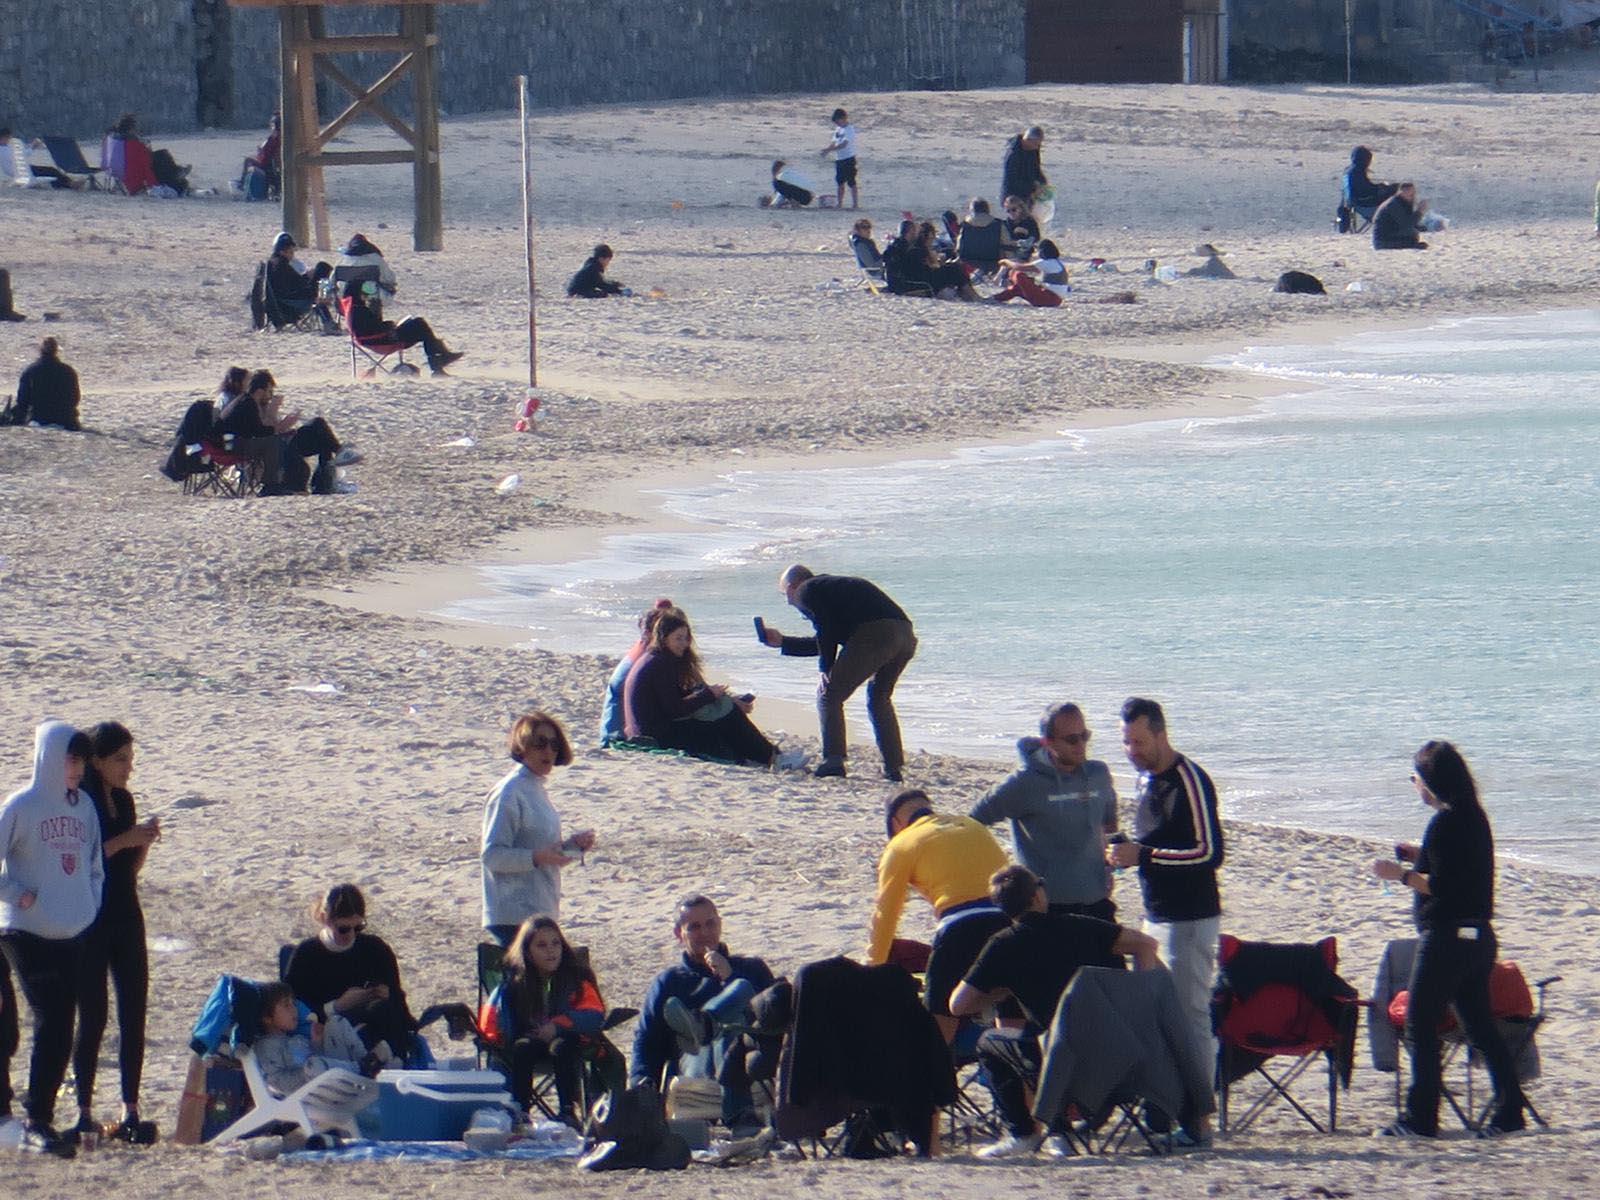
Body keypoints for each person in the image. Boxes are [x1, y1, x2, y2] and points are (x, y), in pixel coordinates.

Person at [1368, 740, 1529, 1138]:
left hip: (1447, 939)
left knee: (1420, 1024)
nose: (1415, 786)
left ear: (1431, 782)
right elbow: (1455, 862)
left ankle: (1420, 1119)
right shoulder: (1472, 816)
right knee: (1479, 1028)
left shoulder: (1444, 821)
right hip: (1478, 939)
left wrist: (1399, 874)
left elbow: (1438, 883)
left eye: (1416, 779)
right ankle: (1509, 1111)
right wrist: (1414, 853)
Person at [948, 864, 1159, 1158]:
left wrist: (1002, 990)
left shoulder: (1004, 944)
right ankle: (1060, 1130)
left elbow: (958, 1005)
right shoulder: (1080, 926)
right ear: (1036, 897)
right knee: (1047, 1043)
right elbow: (1146, 944)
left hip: (1054, 1055)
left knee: (990, 1042)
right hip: (1114, 1050)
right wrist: (1141, 1003)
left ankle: (1028, 1132)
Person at [0, 721, 105, 1158]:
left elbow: (95, 864)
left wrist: (87, 903)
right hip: (24, 932)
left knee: (65, 1024)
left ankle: (41, 1117)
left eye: (81, 760)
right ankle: (36, 1120)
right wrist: (13, 894)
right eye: (70, 758)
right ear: (49, 758)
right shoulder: (20, 806)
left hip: (73, 931)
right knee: (53, 1016)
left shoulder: (84, 808)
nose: (77, 768)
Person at [1108, 697, 1224, 1069]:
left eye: (1139, 742)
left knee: (1190, 1017)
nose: (1132, 751)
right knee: (1155, 1012)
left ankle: (1199, 1119)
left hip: (1190, 916)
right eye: (1126, 742)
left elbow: (1209, 853)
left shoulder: (1190, 780)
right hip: (1155, 913)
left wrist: (1142, 855)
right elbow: (1157, 839)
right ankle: (1169, 1108)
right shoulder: (1144, 778)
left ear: (1161, 735)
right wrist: (1124, 851)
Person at [71, 722, 160, 1146]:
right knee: (93, 1015)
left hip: (126, 911)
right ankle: (83, 1109)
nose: (128, 768)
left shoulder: (124, 800)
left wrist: (141, 844)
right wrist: (125, 840)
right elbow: (87, 858)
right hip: (92, 916)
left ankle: (131, 1108)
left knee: (133, 1010)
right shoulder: (81, 802)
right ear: (97, 761)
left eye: (131, 759)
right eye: (121, 759)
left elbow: (127, 869)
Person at [867, 790, 1008, 1038]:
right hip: (1006, 920)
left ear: (896, 823)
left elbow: (886, 913)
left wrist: (873, 967)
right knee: (1011, 1017)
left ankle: (939, 1069)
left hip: (960, 927)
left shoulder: (902, 844)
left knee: (941, 1020)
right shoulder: (972, 825)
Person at [761, 564, 917, 780]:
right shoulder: (832, 590)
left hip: (878, 633)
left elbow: (827, 629)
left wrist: (825, 668)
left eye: (785, 593)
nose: (788, 601)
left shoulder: (807, 589)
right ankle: (893, 767)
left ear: (794, 586)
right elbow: (831, 635)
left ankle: (833, 761)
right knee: (879, 699)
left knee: (828, 696)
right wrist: (784, 642)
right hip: (905, 636)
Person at [631, 895, 775, 1128]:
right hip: (695, 1069)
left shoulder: (751, 969)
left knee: (740, 994)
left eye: (710, 924)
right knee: (707, 1039)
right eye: (694, 927)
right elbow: (647, 1040)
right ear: (679, 934)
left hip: (746, 1065)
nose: (705, 933)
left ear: (720, 924)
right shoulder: (671, 981)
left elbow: (773, 1020)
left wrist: (730, 978)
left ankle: (704, 1025)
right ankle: (703, 1031)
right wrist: (642, 1086)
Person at [970, 703, 1119, 922]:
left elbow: (1109, 824)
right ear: (1048, 742)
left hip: (1096, 901)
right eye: (1071, 739)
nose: (1081, 745)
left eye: (1084, 736)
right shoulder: (1024, 783)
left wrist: (1110, 866)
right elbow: (973, 822)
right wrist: (1004, 878)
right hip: (1046, 908)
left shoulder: (1098, 774)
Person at [492, 915, 620, 1126]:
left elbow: (594, 1014)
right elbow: (506, 1021)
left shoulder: (577, 978)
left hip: (569, 1038)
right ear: (527, 952)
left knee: (563, 1047)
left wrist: (558, 1025)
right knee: (522, 1048)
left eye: (555, 943)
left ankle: (568, 1112)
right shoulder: (516, 983)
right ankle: (521, 1112)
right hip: (530, 1040)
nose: (551, 950)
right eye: (541, 945)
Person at [481, 713, 595, 946]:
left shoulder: (535, 789)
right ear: (522, 746)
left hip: (540, 909)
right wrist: (538, 856)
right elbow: (492, 856)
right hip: (512, 916)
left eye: (554, 744)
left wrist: (571, 848)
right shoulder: (509, 792)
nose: (549, 751)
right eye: (540, 743)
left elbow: (544, 852)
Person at [623, 610, 777, 766]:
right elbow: (675, 709)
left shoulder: (656, 658)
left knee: (724, 712)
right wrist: (709, 695)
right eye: (678, 638)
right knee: (728, 715)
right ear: (664, 638)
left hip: (645, 730)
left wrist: (712, 696)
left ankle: (768, 755)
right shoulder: (660, 664)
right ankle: (771, 757)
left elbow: (673, 699)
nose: (684, 643)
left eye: (685, 638)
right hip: (655, 735)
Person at [283, 883, 418, 1061]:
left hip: (375, 1025)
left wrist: (387, 994)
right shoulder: (306, 954)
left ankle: (386, 1062)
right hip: (328, 1034)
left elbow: (399, 1003)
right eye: (344, 928)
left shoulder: (375, 948)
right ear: (325, 919)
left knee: (383, 1009)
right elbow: (292, 1011)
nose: (351, 934)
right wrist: (337, 1006)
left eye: (358, 927)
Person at [216, 369, 343, 495]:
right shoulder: (248, 403)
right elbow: (260, 432)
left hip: (248, 443)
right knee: (279, 444)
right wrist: (279, 422)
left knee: (318, 428)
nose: (271, 396)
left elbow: (260, 431)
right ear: (260, 391)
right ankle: (274, 486)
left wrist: (281, 425)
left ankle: (327, 479)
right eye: (269, 392)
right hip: (238, 446)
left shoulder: (250, 402)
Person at [253, 980, 369, 1096]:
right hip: (304, 1092)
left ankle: (367, 1061)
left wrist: (316, 1044)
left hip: (329, 1078)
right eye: (286, 1005)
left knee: (335, 1022)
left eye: (294, 1003)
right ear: (267, 1018)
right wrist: (306, 1072)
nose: (294, 1010)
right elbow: (276, 1081)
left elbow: (315, 1059)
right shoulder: (266, 1047)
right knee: (313, 1065)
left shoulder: (294, 1038)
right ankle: (361, 1068)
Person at [343, 282, 464, 376]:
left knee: (419, 326)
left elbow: (370, 327)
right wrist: (388, 324)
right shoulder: (359, 310)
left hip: (374, 340)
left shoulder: (352, 308)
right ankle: (438, 362)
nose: (366, 294)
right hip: (383, 340)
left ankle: (439, 360)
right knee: (419, 324)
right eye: (364, 291)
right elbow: (373, 328)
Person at [600, 599, 676, 746]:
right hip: (627, 675)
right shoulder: (654, 643)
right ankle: (611, 740)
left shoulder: (645, 633)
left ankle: (609, 739)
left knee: (617, 702)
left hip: (624, 671)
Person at [257, 232, 334, 331]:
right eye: (290, 252)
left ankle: (328, 317)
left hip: (282, 302)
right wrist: (309, 277)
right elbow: (298, 285)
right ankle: (329, 321)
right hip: (291, 304)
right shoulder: (281, 266)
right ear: (282, 252)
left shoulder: (273, 263)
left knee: (319, 273)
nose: (292, 255)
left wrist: (307, 276)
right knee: (322, 268)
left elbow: (293, 282)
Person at [7, 338, 81, 430]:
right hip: (65, 420)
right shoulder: (68, 371)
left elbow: (23, 400)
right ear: (56, 351)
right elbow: (75, 398)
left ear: (40, 350)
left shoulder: (31, 371)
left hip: (39, 419)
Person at [987, 240, 1070, 308]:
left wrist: (1006, 262)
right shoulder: (1056, 263)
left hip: (1048, 298)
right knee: (1018, 288)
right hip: (1055, 300)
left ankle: (997, 296)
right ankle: (995, 298)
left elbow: (1019, 267)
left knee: (1018, 274)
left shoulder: (1045, 262)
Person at [0, 128, 83, 190]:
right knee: (51, 171)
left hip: (23, 169)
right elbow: (21, 156)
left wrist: (31, 147)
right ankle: (70, 184)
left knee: (50, 172)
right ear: (3, 138)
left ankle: (67, 184)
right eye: (8, 138)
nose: (9, 140)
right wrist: (33, 146)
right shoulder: (2, 150)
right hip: (22, 171)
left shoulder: (5, 147)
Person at [818, 107, 858, 210]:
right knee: (840, 182)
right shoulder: (838, 129)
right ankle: (840, 204)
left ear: (844, 118)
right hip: (839, 159)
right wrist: (827, 150)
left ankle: (855, 204)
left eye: (837, 121)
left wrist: (830, 150)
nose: (837, 123)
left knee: (851, 182)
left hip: (849, 159)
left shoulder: (849, 129)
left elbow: (844, 144)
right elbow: (834, 142)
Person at [335, 232, 398, 297]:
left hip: (345, 294)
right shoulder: (375, 257)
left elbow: (332, 278)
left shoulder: (343, 259)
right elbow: (388, 277)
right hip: (370, 293)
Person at [1001, 126, 1046, 210]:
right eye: (1036, 144)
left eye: (1039, 144)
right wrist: (1033, 189)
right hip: (1013, 198)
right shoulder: (1013, 155)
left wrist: (1043, 182)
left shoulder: (1033, 149)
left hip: (1028, 195)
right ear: (1027, 140)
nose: (1037, 147)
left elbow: (1036, 167)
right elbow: (1012, 180)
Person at [235, 113, 281, 197]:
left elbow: (264, 154)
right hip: (273, 165)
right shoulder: (281, 138)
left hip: (266, 165)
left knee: (247, 160)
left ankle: (241, 184)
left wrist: (260, 149)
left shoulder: (273, 138)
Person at [1343, 146, 1397, 217]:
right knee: (1394, 193)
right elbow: (1365, 190)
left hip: (1354, 201)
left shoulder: (1350, 170)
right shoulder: (1357, 172)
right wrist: (1380, 188)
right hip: (1363, 204)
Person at [1373, 182, 1428, 250]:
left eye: (1413, 193)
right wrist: (1419, 212)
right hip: (1383, 241)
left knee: (1414, 238)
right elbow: (1406, 225)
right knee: (1414, 241)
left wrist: (1422, 228)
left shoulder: (1403, 202)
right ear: (1401, 192)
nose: (1413, 196)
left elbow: (1408, 222)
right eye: (1410, 194)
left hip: (1391, 236)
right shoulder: (1394, 204)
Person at [957, 198, 1006, 275]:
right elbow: (1007, 243)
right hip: (993, 263)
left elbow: (959, 247)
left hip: (969, 263)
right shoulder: (998, 224)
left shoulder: (965, 225)